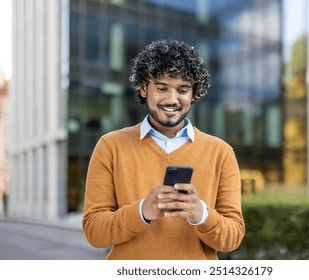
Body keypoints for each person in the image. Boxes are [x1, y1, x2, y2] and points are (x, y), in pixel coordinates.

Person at [82, 39, 245, 260]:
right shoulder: (110, 146)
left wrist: (201, 214)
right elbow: (94, 232)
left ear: (193, 94)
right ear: (143, 88)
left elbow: (232, 238)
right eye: (161, 88)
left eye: (183, 90)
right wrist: (142, 211)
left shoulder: (221, 152)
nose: (172, 99)